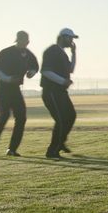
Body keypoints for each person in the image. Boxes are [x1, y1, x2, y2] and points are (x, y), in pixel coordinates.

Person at [0, 30, 39, 156]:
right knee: (4, 115)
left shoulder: (28, 54)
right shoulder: (6, 52)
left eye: (26, 41)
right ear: (17, 40)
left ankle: (12, 149)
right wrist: (8, 78)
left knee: (21, 117)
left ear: (28, 41)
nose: (24, 43)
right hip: (2, 88)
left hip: (15, 89)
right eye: (21, 40)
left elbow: (35, 66)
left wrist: (31, 72)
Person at [40, 28, 78, 159]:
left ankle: (60, 143)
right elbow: (45, 71)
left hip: (60, 91)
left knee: (71, 116)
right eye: (70, 38)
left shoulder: (62, 53)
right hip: (51, 91)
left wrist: (74, 53)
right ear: (63, 37)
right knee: (61, 120)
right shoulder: (52, 51)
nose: (72, 41)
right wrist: (63, 81)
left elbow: (71, 69)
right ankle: (52, 151)